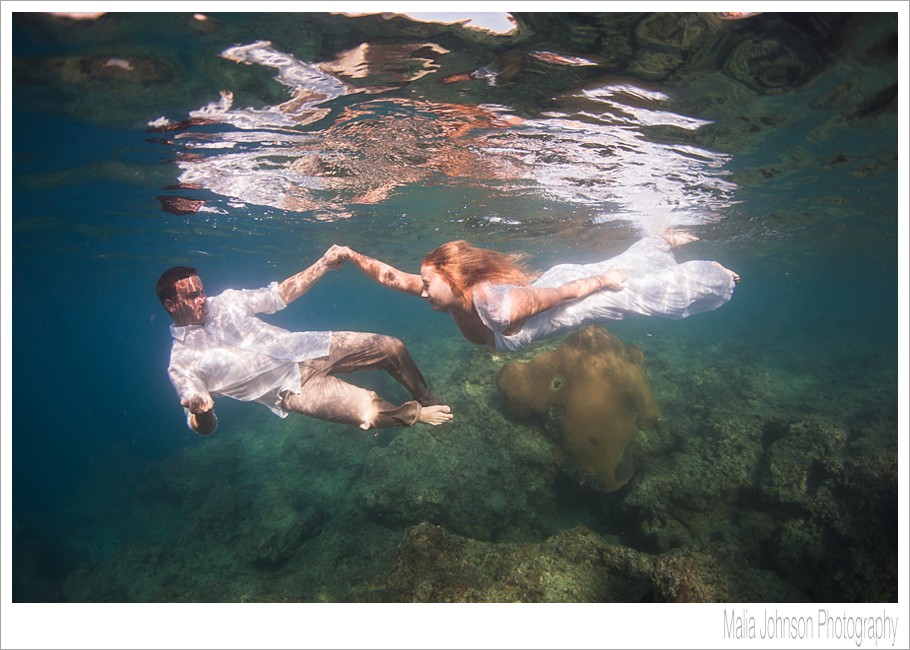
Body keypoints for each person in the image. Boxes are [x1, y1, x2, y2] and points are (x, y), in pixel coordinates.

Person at [156, 250, 452, 436]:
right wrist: (201, 412)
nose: (202, 300)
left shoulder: (228, 302)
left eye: (202, 291)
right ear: (171, 304)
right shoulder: (182, 362)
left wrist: (322, 264)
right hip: (291, 391)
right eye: (192, 296)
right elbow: (204, 429)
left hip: (309, 347)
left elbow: (279, 294)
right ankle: (417, 414)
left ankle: (424, 395)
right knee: (368, 412)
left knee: (392, 347)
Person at [327, 230, 739, 352]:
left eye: (429, 284)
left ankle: (715, 276)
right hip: (547, 292)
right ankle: (658, 242)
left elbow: (563, 294)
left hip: (559, 303)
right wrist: (350, 251)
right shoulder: (449, 290)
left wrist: (602, 283)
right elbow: (392, 278)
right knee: (613, 274)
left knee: (629, 293)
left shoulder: (502, 307)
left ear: (454, 281)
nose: (422, 292)